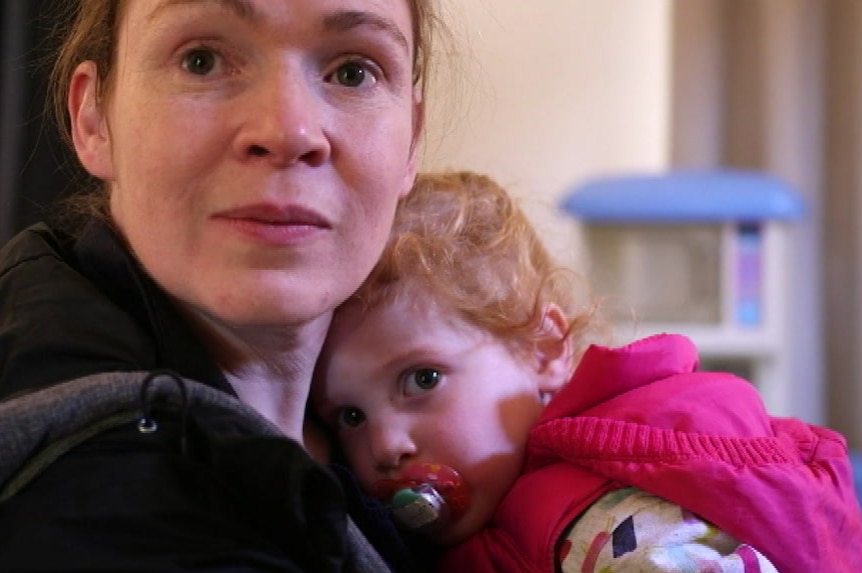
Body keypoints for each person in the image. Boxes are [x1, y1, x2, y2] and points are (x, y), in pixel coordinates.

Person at [0, 1, 442, 571]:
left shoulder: (372, 437)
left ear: (411, 141)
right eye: (202, 60)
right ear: (93, 119)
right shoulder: (94, 497)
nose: (288, 131)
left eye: (353, 71)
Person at [312, 170, 862, 572]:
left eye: (422, 380)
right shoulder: (504, 516)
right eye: (351, 416)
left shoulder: (603, 511)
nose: (385, 446)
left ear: (545, 351)